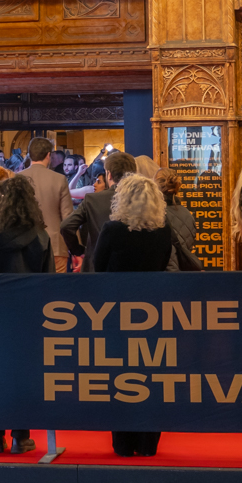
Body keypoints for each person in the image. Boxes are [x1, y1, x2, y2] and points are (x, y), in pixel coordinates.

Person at [85, 173, 175, 457]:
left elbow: (98, 267)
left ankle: (123, 443)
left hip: (115, 314)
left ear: (122, 199)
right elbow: (163, 266)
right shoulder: (163, 230)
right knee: (151, 377)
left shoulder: (112, 230)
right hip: (152, 313)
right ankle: (148, 444)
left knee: (119, 377)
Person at [0, 174, 53, 454]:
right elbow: (49, 280)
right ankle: (20, 436)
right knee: (24, 374)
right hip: (28, 315)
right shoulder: (41, 236)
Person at [61, 151, 136, 270]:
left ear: (109, 175)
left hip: (96, 264)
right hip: (133, 266)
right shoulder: (141, 198)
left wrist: (78, 250)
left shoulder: (92, 199)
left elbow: (66, 226)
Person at [17, 139, 74, 272]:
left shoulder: (16, 178)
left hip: (24, 244)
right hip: (55, 245)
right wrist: (75, 248)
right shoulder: (59, 179)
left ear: (30, 154)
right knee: (56, 284)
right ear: (48, 155)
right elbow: (68, 217)